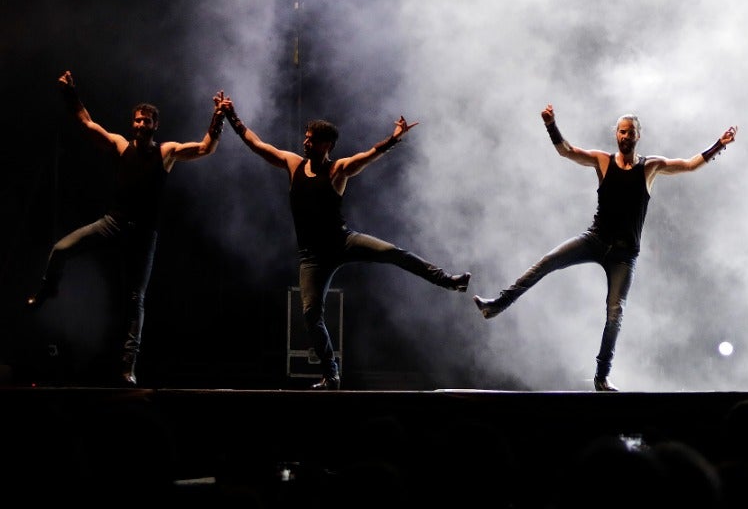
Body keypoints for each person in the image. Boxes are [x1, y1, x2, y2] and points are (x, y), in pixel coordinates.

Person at [474, 106, 737, 392]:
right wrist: (551, 125)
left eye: (630, 133)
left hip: (624, 255)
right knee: (548, 261)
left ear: (638, 136)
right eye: (622, 132)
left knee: (615, 312)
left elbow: (688, 164)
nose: (625, 137)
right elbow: (567, 151)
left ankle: (601, 376)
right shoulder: (602, 161)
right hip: (595, 240)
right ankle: (497, 305)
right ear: (616, 134)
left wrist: (718, 145)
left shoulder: (650, 167)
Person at [219, 96, 470, 389]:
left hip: (343, 241)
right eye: (306, 137)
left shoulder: (338, 170)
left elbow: (367, 156)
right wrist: (232, 115)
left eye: (312, 140)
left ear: (327, 145)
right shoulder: (293, 164)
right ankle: (331, 375)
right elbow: (258, 145)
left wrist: (394, 139)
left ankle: (449, 281)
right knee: (311, 314)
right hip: (311, 256)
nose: (305, 142)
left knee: (393, 253)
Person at [27, 70, 225, 386]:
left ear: (154, 125)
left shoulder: (166, 152)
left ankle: (127, 368)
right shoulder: (121, 145)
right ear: (132, 123)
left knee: (136, 300)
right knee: (61, 248)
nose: (141, 125)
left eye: (146, 121)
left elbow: (205, 148)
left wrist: (218, 117)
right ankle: (49, 288)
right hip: (113, 223)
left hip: (143, 235)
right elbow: (87, 124)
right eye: (137, 120)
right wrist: (70, 93)